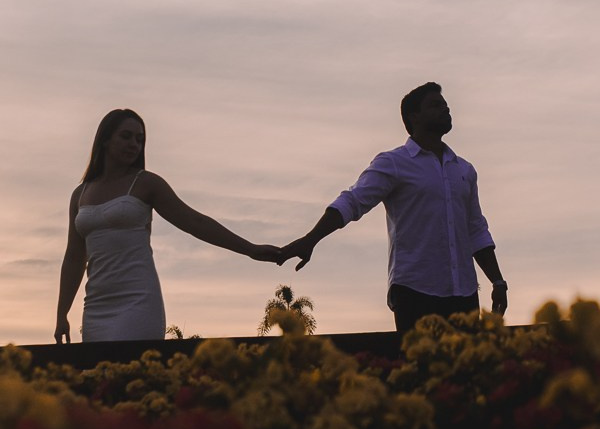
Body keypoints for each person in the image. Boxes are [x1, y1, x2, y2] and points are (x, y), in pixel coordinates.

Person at [282, 83, 508, 335]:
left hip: (464, 293)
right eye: (435, 105)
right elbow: (353, 201)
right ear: (414, 117)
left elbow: (475, 230)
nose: (445, 109)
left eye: (445, 104)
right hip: (415, 292)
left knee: (466, 361)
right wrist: (311, 239)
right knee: (418, 360)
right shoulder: (394, 163)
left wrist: (497, 281)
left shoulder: (464, 170)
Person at [55, 108, 285, 343]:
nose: (134, 144)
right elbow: (74, 257)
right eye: (126, 136)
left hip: (138, 301)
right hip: (96, 307)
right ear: (105, 140)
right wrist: (62, 314)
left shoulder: (146, 183)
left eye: (139, 139)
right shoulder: (80, 194)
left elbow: (194, 222)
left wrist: (250, 249)